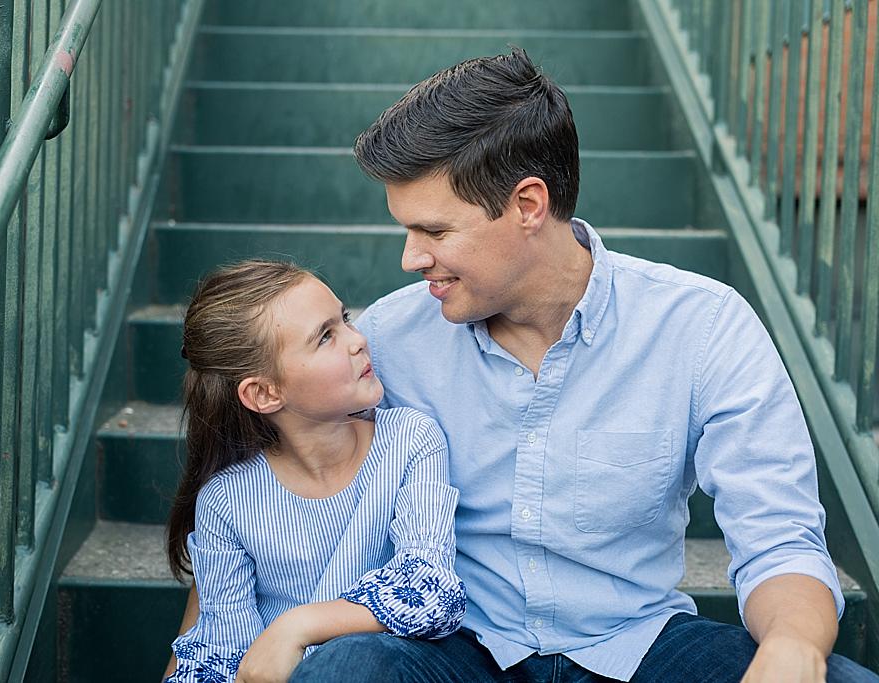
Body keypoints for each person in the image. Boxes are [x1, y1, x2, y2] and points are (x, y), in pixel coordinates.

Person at [290, 50, 879, 682]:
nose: (411, 258)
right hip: (454, 646)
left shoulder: (702, 326)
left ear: (528, 204)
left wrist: (792, 647)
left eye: (434, 231)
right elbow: (261, 475)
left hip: (638, 645)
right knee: (346, 670)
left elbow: (780, 539)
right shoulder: (383, 340)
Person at [160, 260, 465, 683]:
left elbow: (430, 591)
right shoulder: (227, 501)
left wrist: (296, 627)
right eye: (325, 337)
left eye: (344, 319)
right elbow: (226, 647)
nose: (357, 340)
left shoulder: (410, 441)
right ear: (265, 393)